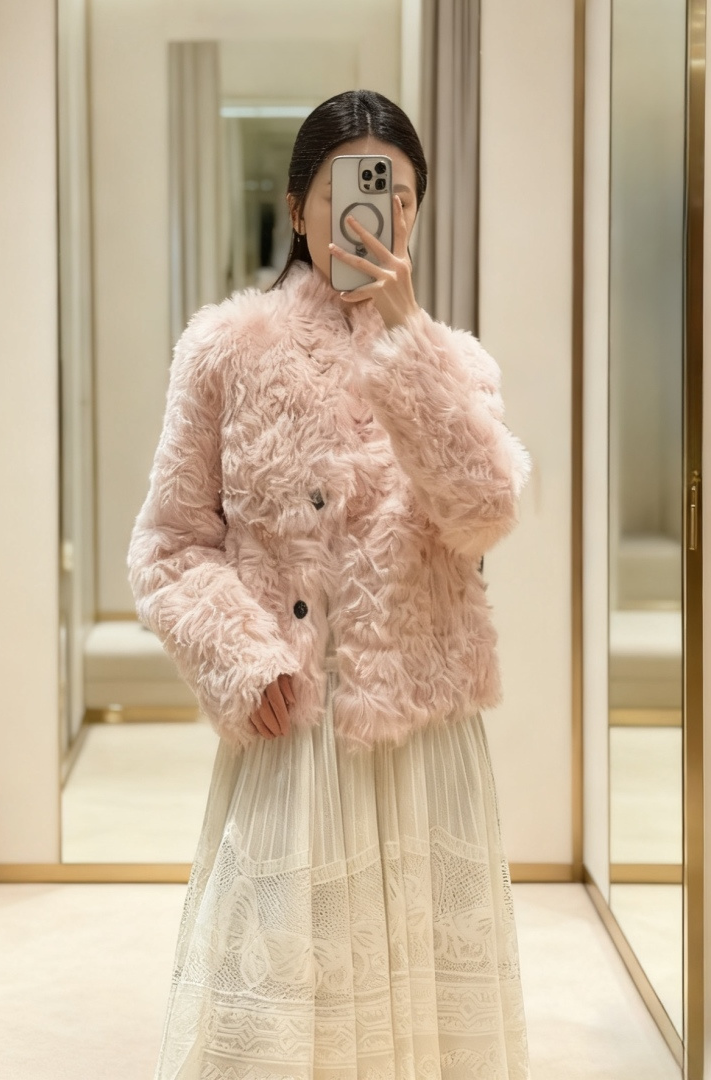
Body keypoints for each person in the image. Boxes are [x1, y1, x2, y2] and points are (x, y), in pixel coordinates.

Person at [129, 89, 531, 1080]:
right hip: (292, 728)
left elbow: (484, 512)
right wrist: (244, 659)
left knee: (428, 1018)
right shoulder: (227, 351)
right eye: (349, 190)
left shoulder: (458, 364)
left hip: (424, 734)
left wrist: (408, 344)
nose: (375, 214)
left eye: (398, 194)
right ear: (299, 208)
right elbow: (170, 546)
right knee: (282, 1014)